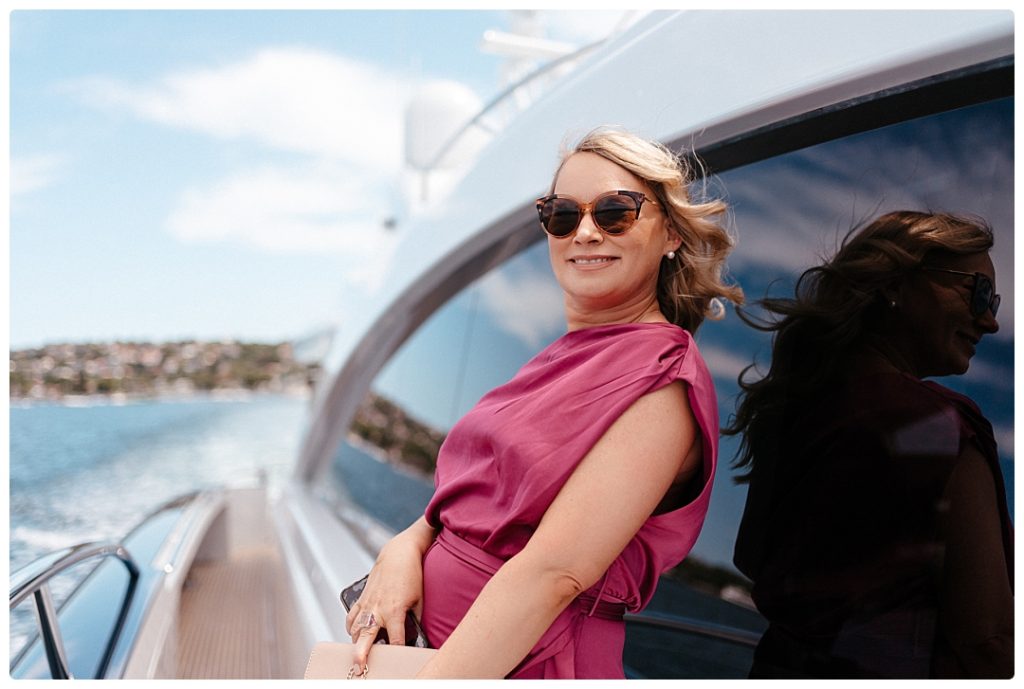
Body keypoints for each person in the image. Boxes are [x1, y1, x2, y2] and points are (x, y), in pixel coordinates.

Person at [343, 127, 743, 678]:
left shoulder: (661, 378)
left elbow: (554, 573)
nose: (583, 232)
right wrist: (408, 544)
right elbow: (485, 502)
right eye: (561, 214)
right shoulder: (563, 357)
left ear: (671, 232)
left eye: (614, 213)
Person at [726, 211, 1013, 678]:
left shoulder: (794, 411)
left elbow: (749, 557)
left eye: (994, 301)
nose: (990, 322)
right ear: (895, 285)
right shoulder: (941, 425)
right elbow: (989, 642)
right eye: (978, 292)